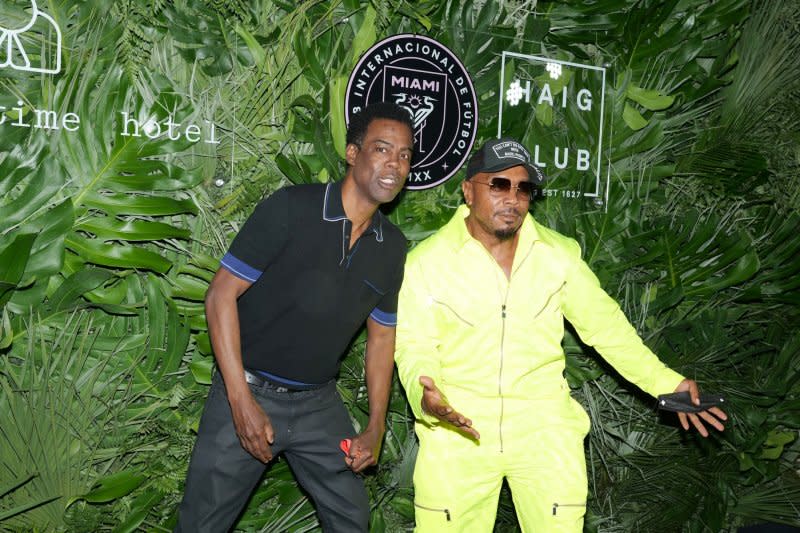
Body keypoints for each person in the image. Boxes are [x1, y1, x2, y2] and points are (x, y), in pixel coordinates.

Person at [394, 137, 727, 532]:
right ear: (468, 189)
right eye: (498, 184)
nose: (513, 198)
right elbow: (414, 346)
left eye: (524, 188)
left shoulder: (559, 256)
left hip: (544, 433)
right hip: (457, 436)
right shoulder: (425, 263)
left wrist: (667, 383)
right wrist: (425, 394)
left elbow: (607, 329)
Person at [175, 102, 414, 532]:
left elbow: (381, 339)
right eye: (382, 149)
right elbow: (219, 297)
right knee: (202, 524)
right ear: (353, 153)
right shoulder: (291, 208)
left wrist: (376, 425)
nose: (394, 164)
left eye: (404, 155)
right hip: (246, 390)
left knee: (352, 519)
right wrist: (240, 401)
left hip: (318, 404)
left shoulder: (392, 247)